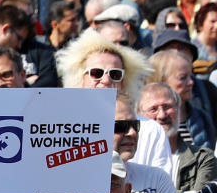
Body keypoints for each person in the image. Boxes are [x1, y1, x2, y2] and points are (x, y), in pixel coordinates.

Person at [56, 29, 171, 176]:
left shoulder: (150, 130)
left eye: (115, 74)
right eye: (96, 73)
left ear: (124, 81)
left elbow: (162, 185)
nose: (106, 80)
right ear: (80, 78)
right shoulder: (61, 129)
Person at [140, 82, 217, 193]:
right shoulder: (132, 159)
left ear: (178, 109)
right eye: (153, 109)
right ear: (140, 115)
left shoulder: (202, 159)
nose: (162, 115)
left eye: (167, 107)